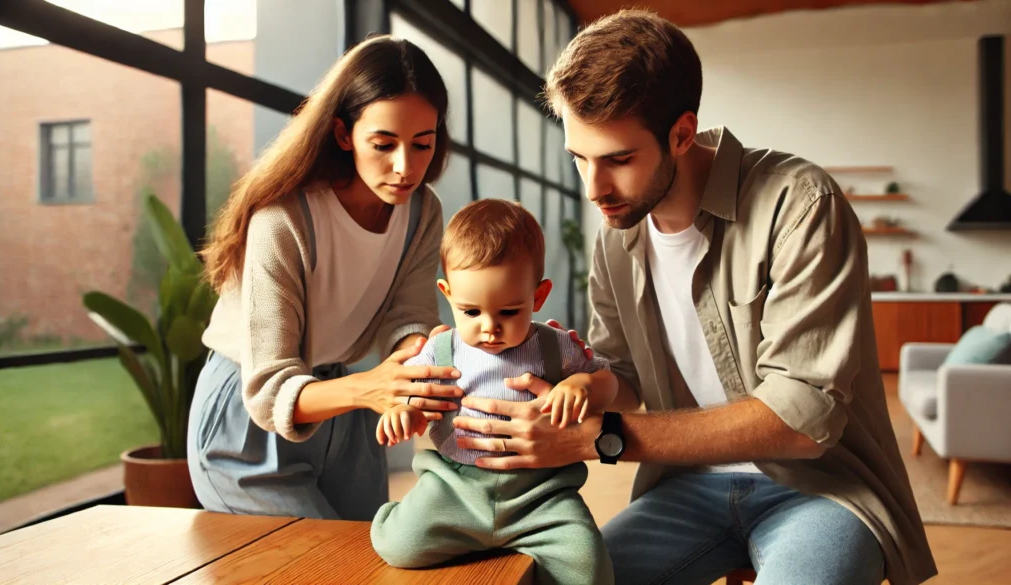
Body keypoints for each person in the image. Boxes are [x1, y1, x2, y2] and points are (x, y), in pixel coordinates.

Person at [446, 9, 938, 585]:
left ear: (681, 133)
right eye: (578, 158)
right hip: (685, 486)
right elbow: (623, 375)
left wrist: (596, 438)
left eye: (618, 160)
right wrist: (572, 388)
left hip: (822, 490)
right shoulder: (616, 239)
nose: (594, 188)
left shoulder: (801, 205)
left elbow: (804, 421)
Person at [185, 34, 464, 522]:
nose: (405, 168)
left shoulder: (423, 212)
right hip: (249, 415)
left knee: (371, 560)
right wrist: (374, 389)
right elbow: (269, 388)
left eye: (423, 143)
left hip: (347, 409)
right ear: (342, 134)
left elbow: (408, 316)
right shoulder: (284, 218)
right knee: (319, 568)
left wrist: (411, 366)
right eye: (383, 144)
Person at [369, 199, 616, 585]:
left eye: (509, 312)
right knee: (400, 545)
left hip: (541, 494)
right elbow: (413, 395)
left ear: (538, 297)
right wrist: (404, 412)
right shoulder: (440, 349)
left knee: (588, 565)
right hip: (456, 485)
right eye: (471, 312)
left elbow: (607, 381)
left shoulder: (554, 346)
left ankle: (523, 543)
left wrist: (584, 384)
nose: (489, 328)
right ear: (447, 294)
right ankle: (399, 515)